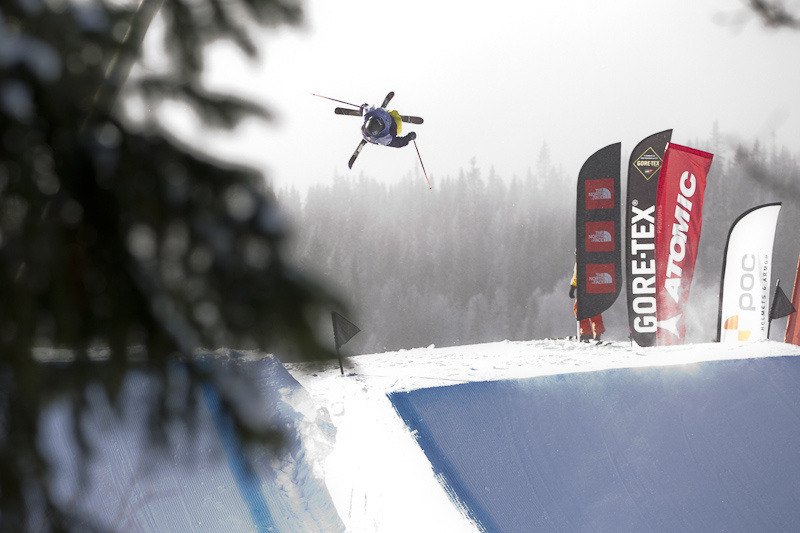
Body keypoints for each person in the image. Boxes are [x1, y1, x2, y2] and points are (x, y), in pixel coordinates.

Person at [569, 262, 605, 342]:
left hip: (587, 286)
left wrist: (573, 286)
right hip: (593, 285)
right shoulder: (588, 257)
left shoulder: (581, 257)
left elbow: (577, 273)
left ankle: (588, 333)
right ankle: (595, 332)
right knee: (592, 309)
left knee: (581, 309)